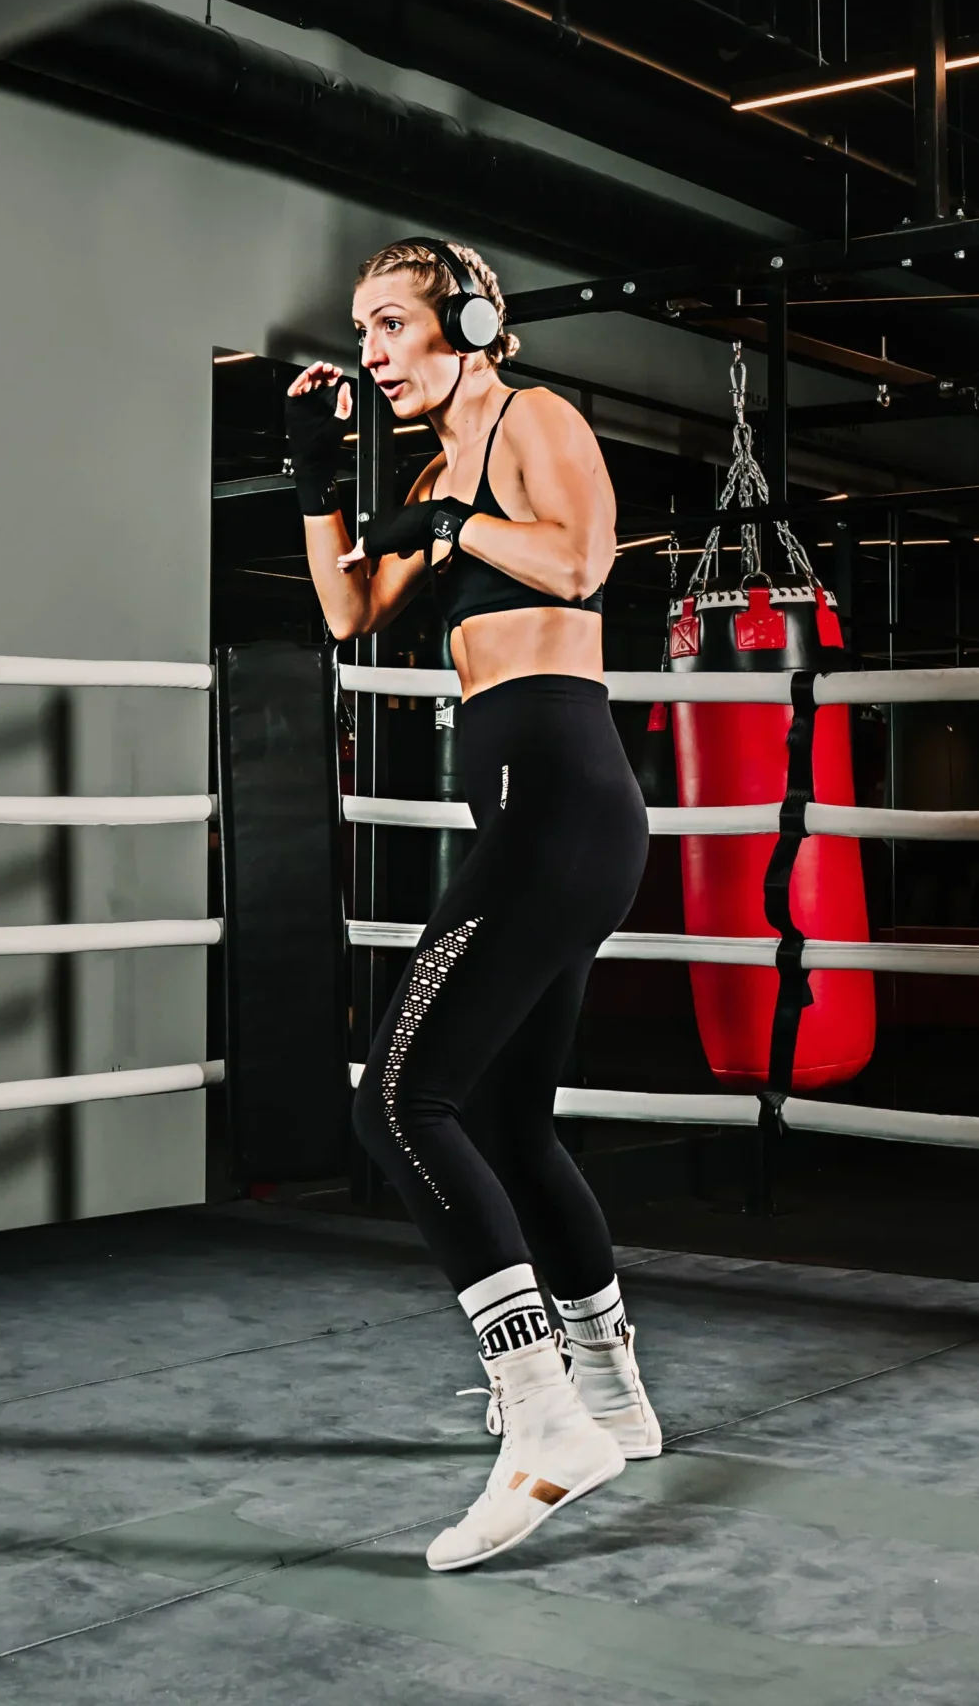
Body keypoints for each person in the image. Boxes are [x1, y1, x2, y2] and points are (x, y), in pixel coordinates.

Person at [286, 237, 657, 1573]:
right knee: (505, 1112)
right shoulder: (441, 468)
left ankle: (548, 1415)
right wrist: (323, 483)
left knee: (396, 1101)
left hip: (559, 806)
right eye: (364, 328)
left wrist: (452, 526)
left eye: (393, 322)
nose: (375, 349)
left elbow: (583, 562)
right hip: (537, 816)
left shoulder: (529, 419)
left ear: (475, 318)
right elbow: (348, 614)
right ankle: (613, 1387)